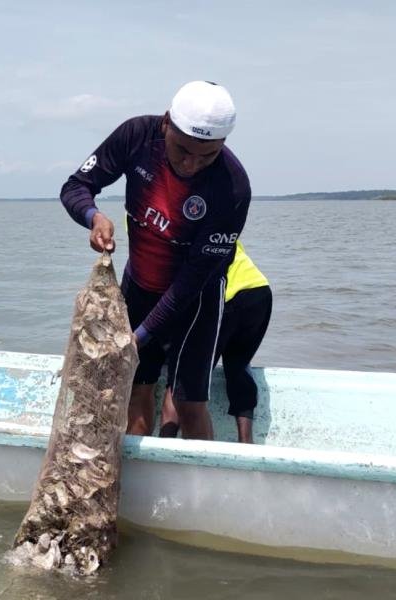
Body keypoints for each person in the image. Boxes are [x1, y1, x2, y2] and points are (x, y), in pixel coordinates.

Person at [60, 80, 251, 440]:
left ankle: (199, 488)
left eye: (207, 155)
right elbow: (75, 187)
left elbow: (192, 282)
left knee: (189, 401)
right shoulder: (137, 136)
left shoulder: (232, 188)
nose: (191, 164)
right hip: (139, 285)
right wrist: (93, 217)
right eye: (182, 150)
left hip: (196, 301)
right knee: (136, 387)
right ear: (166, 123)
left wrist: (140, 336)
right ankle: (142, 475)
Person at [159, 240, 272, 443]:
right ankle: (246, 446)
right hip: (259, 290)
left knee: (181, 377)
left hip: (224, 296)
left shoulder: (170, 229)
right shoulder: (214, 220)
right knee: (238, 365)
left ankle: (163, 447)